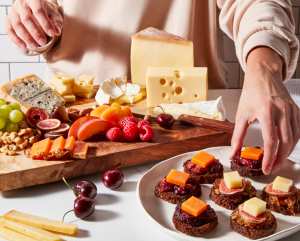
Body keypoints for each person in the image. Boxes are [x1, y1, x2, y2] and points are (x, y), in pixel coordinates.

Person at [5, 0, 300, 175]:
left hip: (188, 127)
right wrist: (30, 16)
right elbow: (42, 10)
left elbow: (259, 4)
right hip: (75, 125)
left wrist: (264, 68)